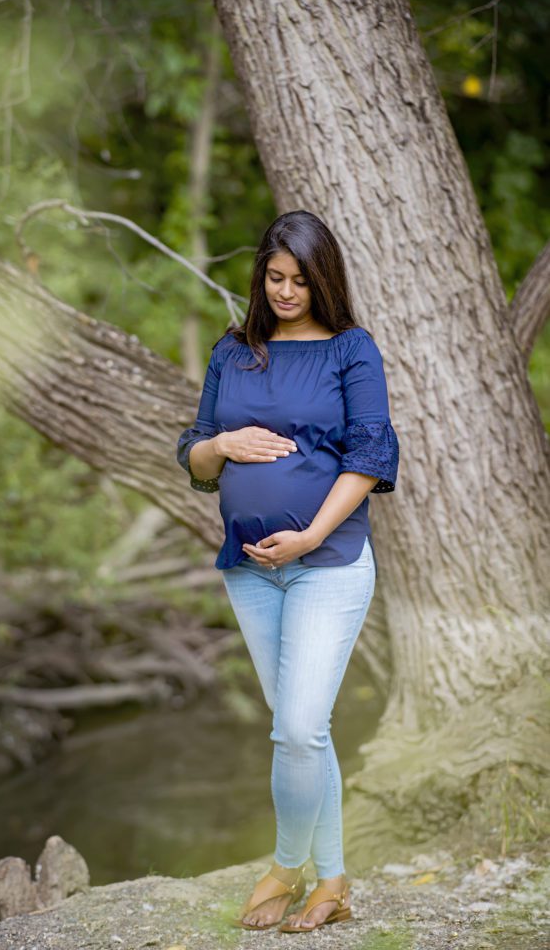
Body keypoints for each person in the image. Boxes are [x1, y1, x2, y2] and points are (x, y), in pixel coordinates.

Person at [175, 210, 400, 933]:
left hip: (326, 564)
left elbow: (371, 457)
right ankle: (332, 883)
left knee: (298, 729)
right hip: (248, 568)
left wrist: (308, 538)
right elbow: (194, 455)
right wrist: (224, 445)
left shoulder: (351, 351)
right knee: (302, 732)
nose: (284, 291)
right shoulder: (233, 351)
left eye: (299, 280)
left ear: (322, 279)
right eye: (274, 278)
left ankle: (285, 864)